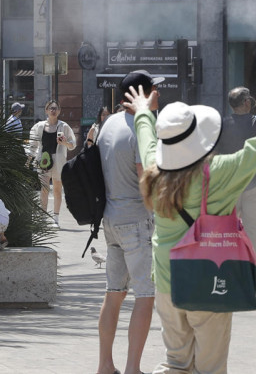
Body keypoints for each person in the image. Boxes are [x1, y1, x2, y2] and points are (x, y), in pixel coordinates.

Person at [128, 58, 256, 374]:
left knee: (175, 362)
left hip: (167, 282)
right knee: (210, 367)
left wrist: (143, 110)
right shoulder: (219, 173)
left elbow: (146, 138)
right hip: (209, 279)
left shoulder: (155, 170)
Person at [95, 70, 161, 374]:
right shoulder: (139, 127)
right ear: (143, 95)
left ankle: (105, 366)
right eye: (154, 91)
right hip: (136, 220)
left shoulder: (108, 124)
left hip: (110, 218)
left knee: (113, 294)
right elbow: (144, 176)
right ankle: (133, 368)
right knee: (145, 296)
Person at [213, 87, 256, 261]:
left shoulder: (221, 125)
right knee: (253, 230)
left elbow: (213, 156)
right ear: (247, 102)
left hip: (229, 186)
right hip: (254, 183)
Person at [29, 99, 77, 228]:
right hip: (43, 160)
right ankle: (43, 218)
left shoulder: (64, 126)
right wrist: (28, 160)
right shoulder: (39, 126)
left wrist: (65, 143)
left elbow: (73, 145)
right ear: (46, 110)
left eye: (55, 108)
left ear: (59, 111)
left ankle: (55, 218)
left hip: (59, 161)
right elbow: (32, 146)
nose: (53, 110)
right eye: (51, 108)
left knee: (57, 189)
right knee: (44, 189)